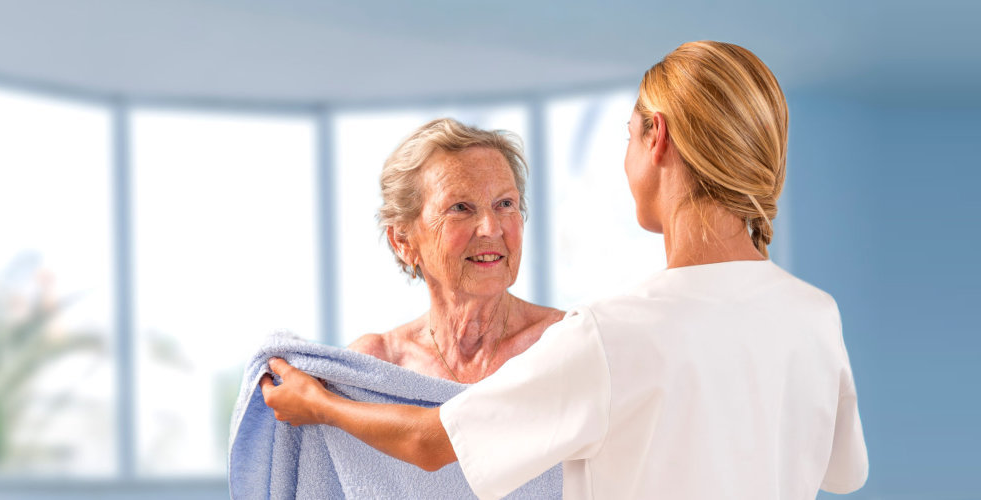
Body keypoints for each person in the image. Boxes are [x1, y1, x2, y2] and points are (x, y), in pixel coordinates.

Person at [261, 40, 868, 499]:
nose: (490, 228)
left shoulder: (608, 335)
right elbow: (844, 472)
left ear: (656, 138)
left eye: (629, 135)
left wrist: (317, 404)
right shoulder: (816, 316)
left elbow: (432, 443)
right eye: (462, 209)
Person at [348, 118, 565, 383]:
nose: (491, 228)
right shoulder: (375, 364)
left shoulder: (567, 341)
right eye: (460, 207)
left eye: (505, 203)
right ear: (403, 242)